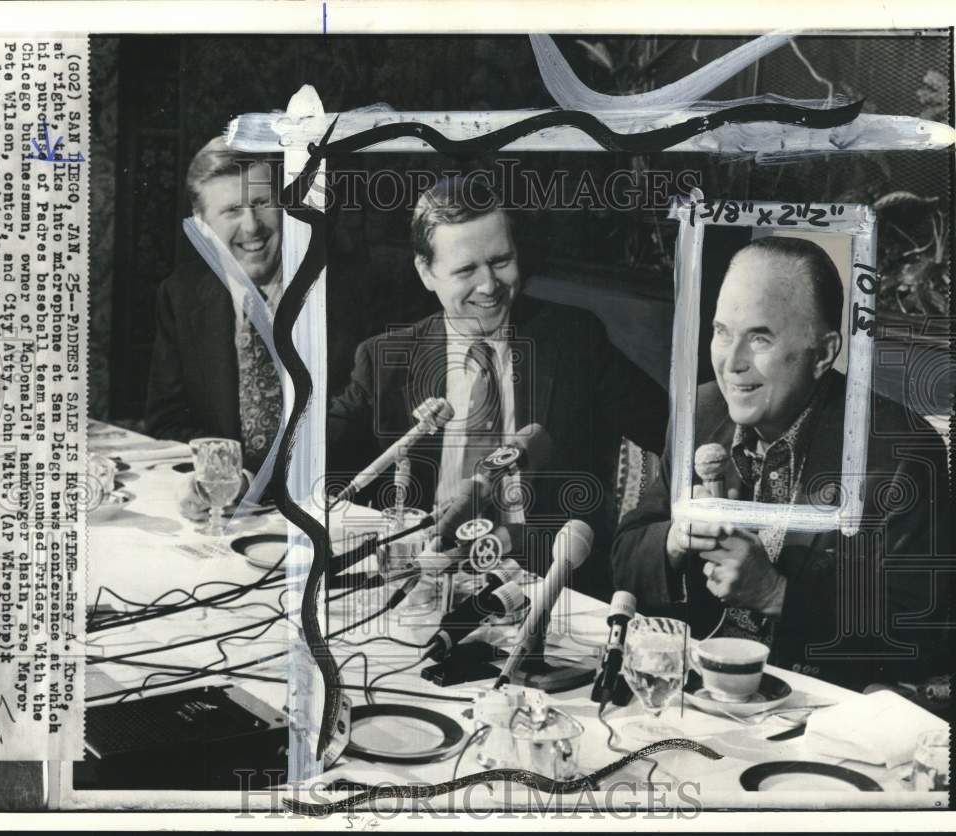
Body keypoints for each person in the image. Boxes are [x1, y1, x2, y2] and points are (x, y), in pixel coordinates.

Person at [612, 236, 952, 689]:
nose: (731, 362)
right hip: (693, 692)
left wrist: (776, 593)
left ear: (824, 353)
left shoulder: (902, 452)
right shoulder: (701, 411)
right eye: (721, 332)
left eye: (760, 338)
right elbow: (623, 558)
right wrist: (673, 542)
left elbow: (921, 633)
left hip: (817, 716)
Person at [328, 176, 669, 596]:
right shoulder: (384, 361)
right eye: (467, 270)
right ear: (426, 272)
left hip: (550, 587)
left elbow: (672, 430)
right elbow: (314, 459)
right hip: (418, 584)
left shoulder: (575, 340)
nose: (489, 286)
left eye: (501, 260)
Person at [145, 137, 284, 487]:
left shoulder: (349, 296)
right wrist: (231, 478)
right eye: (232, 210)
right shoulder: (181, 297)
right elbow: (168, 423)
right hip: (227, 502)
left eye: (262, 203)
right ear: (202, 225)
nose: (252, 226)